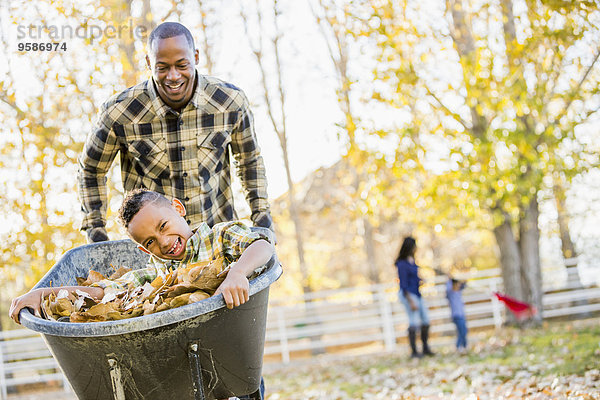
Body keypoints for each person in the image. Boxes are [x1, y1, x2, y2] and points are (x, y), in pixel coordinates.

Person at [78, 21, 273, 244]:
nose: (173, 76)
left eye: (182, 65)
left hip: (217, 238)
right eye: (162, 67)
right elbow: (91, 170)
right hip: (156, 250)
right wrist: (96, 234)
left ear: (196, 57)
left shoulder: (230, 102)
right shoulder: (119, 112)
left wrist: (262, 218)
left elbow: (249, 161)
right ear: (149, 63)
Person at [9, 188, 274, 323]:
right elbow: (103, 292)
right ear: (144, 249)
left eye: (163, 227)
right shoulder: (156, 275)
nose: (165, 243)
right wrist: (41, 294)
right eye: (151, 242)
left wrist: (238, 272)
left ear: (178, 208)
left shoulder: (218, 237)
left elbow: (262, 245)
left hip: (231, 331)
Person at [395, 236, 434, 358]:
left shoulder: (412, 261)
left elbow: (413, 277)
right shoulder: (401, 264)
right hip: (408, 294)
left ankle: (425, 348)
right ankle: (414, 351)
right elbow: (403, 283)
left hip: (417, 293)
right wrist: (410, 300)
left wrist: (420, 280)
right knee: (413, 321)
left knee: (426, 320)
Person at [446, 277, 468, 354]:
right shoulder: (450, 294)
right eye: (456, 284)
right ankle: (459, 346)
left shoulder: (458, 292)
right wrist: (449, 279)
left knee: (464, 331)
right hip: (456, 316)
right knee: (461, 331)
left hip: (462, 315)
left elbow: (464, 285)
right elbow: (448, 286)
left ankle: (464, 346)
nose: (458, 286)